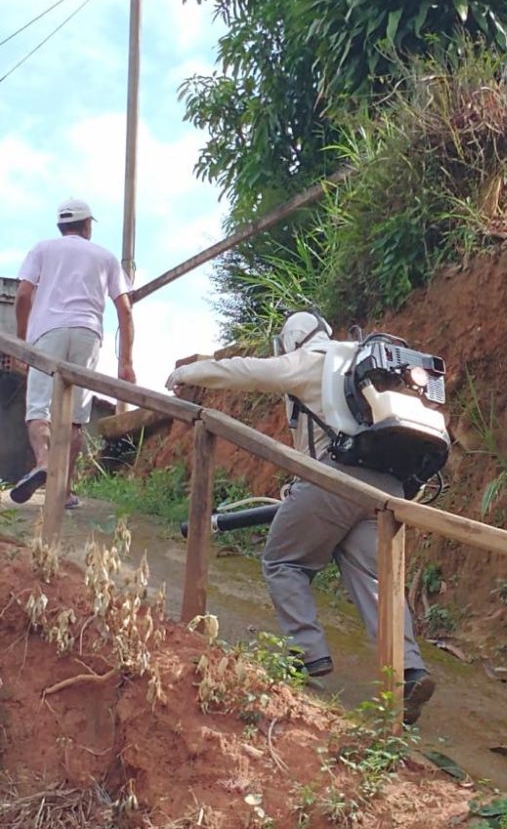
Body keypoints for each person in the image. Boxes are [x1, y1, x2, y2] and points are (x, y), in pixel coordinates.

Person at [166, 310, 436, 725]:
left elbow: (246, 371)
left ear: (291, 341)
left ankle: (307, 653)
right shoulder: (359, 359)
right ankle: (409, 671)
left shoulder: (312, 360)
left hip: (335, 479)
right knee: (377, 581)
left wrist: (189, 372)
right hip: (388, 486)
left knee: (283, 561)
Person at [10, 199, 136, 508]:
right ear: (87, 225)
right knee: (75, 418)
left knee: (38, 408)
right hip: (87, 334)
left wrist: (22, 342)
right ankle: (63, 491)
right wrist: (126, 362)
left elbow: (23, 295)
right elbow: (125, 310)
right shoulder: (105, 256)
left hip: (47, 333)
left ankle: (43, 462)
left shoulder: (42, 249)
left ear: (60, 226)